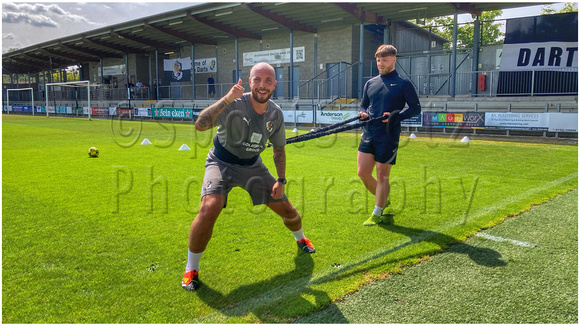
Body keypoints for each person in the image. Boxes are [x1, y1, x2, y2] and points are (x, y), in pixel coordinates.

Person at [182, 62, 316, 291]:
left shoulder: (276, 113)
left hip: (253, 166)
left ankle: (300, 239)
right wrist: (226, 98)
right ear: (249, 81)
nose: (262, 86)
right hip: (221, 162)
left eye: (267, 81)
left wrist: (281, 181)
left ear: (274, 84)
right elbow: (200, 125)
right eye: (257, 80)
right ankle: (191, 268)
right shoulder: (234, 103)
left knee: (289, 211)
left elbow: (278, 149)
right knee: (210, 207)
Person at [357, 44, 421, 226]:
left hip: (389, 134)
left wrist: (395, 117)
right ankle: (383, 199)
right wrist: (363, 113)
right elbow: (364, 105)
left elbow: (416, 108)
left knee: (382, 174)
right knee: (362, 172)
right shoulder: (370, 83)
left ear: (394, 59)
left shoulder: (403, 84)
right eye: (378, 60)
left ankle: (377, 212)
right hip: (369, 132)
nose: (380, 63)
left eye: (384, 60)